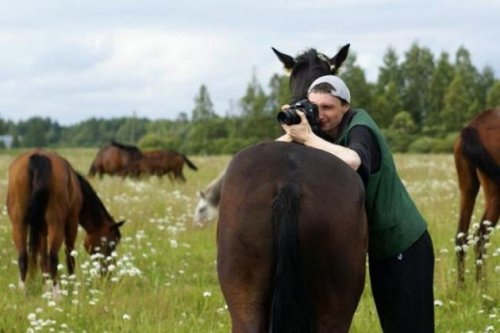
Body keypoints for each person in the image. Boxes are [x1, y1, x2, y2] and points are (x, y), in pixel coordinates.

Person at [277, 75, 435, 333]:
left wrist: (307, 137)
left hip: (405, 243)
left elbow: (352, 160)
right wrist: (291, 129)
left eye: (328, 107)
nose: (321, 114)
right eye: (314, 107)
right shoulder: (325, 130)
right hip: (381, 248)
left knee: (412, 327)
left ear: (345, 106)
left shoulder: (361, 128)